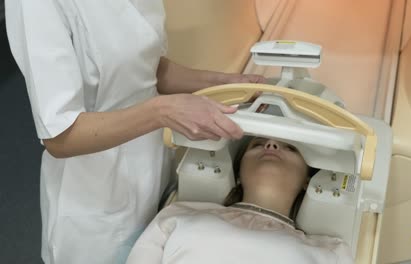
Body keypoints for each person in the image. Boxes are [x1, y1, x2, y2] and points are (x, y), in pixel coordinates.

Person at [5, 1, 265, 264]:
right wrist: (161, 112)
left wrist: (226, 82)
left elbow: (149, 68)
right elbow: (60, 137)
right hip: (94, 197)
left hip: (150, 166)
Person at [126, 137, 354, 264]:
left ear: (308, 180)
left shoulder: (331, 251)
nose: (271, 145)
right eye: (257, 144)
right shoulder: (179, 214)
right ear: (237, 172)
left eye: (291, 148)